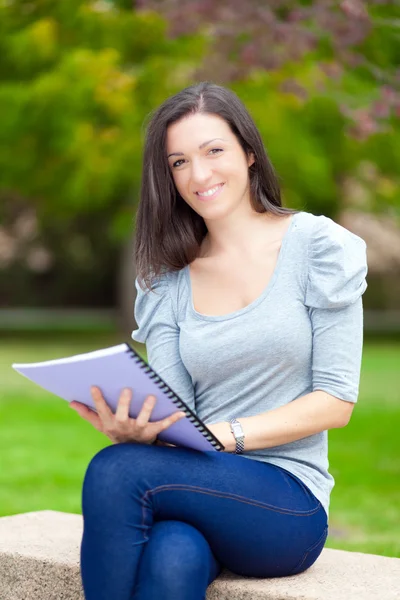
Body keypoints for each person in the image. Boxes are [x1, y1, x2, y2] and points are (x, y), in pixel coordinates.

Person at [70, 81, 368, 600]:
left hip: (285, 503)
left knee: (115, 473)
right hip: (195, 489)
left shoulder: (318, 248)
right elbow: (175, 413)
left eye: (214, 151)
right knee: (172, 555)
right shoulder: (166, 280)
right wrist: (137, 430)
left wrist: (219, 437)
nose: (199, 174)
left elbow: (334, 402)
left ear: (249, 152)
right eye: (179, 162)